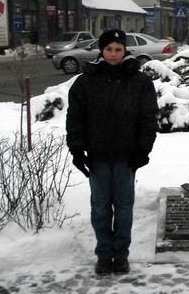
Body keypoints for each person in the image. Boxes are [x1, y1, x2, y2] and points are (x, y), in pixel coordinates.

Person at [66, 29, 158, 276]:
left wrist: (143, 149)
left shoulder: (140, 82)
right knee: (100, 207)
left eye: (118, 49)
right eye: (109, 49)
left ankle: (121, 254)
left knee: (124, 206)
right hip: (97, 155)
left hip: (126, 157)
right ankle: (104, 254)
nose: (114, 54)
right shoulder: (86, 81)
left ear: (125, 50)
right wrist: (76, 149)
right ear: (102, 51)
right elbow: (75, 118)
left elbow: (148, 118)